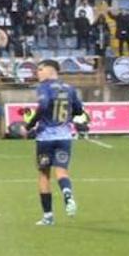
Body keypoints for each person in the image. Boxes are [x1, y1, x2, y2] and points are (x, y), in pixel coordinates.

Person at [24, 59, 82, 226]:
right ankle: (67, 193)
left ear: (51, 71)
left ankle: (48, 216)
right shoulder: (70, 88)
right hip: (64, 136)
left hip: (45, 138)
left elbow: (43, 105)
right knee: (62, 171)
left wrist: (30, 124)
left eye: (40, 69)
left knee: (43, 174)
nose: (37, 72)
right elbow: (78, 109)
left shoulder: (44, 87)